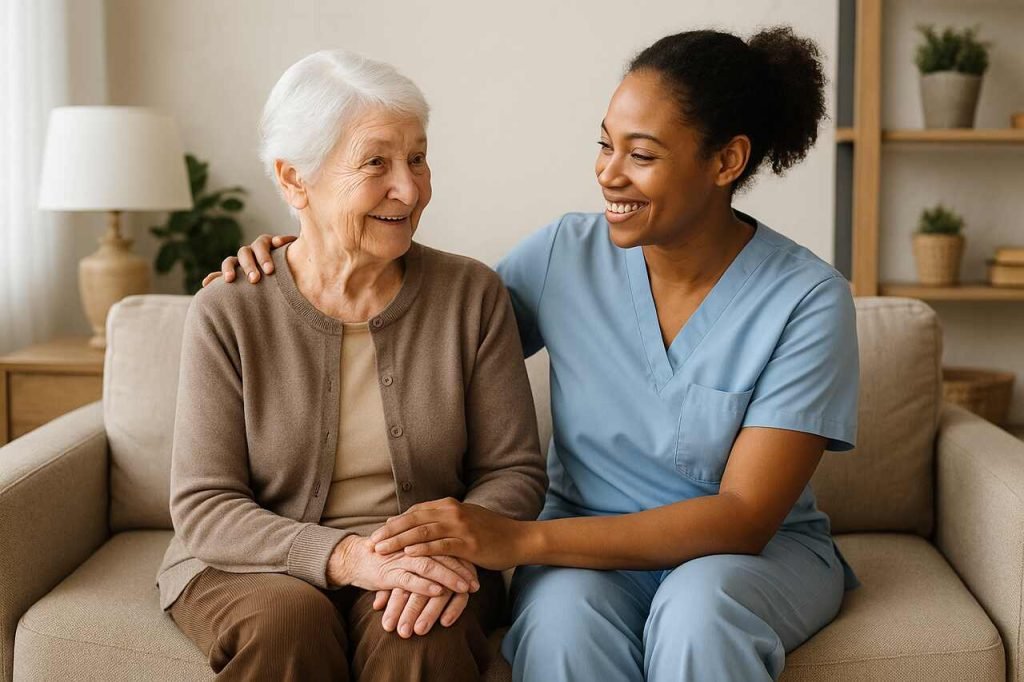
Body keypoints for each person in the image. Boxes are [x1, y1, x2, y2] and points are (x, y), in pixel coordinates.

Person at [208, 27, 860, 682]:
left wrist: (520, 540)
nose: (608, 173)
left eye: (642, 155)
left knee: (700, 616)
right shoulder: (564, 256)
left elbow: (744, 518)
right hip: (586, 559)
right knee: (560, 628)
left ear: (726, 162)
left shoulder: (806, 300)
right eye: (605, 144)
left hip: (744, 559)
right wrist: (305, 259)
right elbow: (425, 326)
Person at [161, 49, 546, 682]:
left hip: (425, 561)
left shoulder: (470, 295)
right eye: (376, 163)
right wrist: (344, 556)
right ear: (294, 181)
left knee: (421, 633)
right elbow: (205, 504)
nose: (410, 187)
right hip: (252, 565)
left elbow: (514, 472)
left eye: (417, 158)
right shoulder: (230, 309)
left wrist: (435, 551)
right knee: (287, 622)